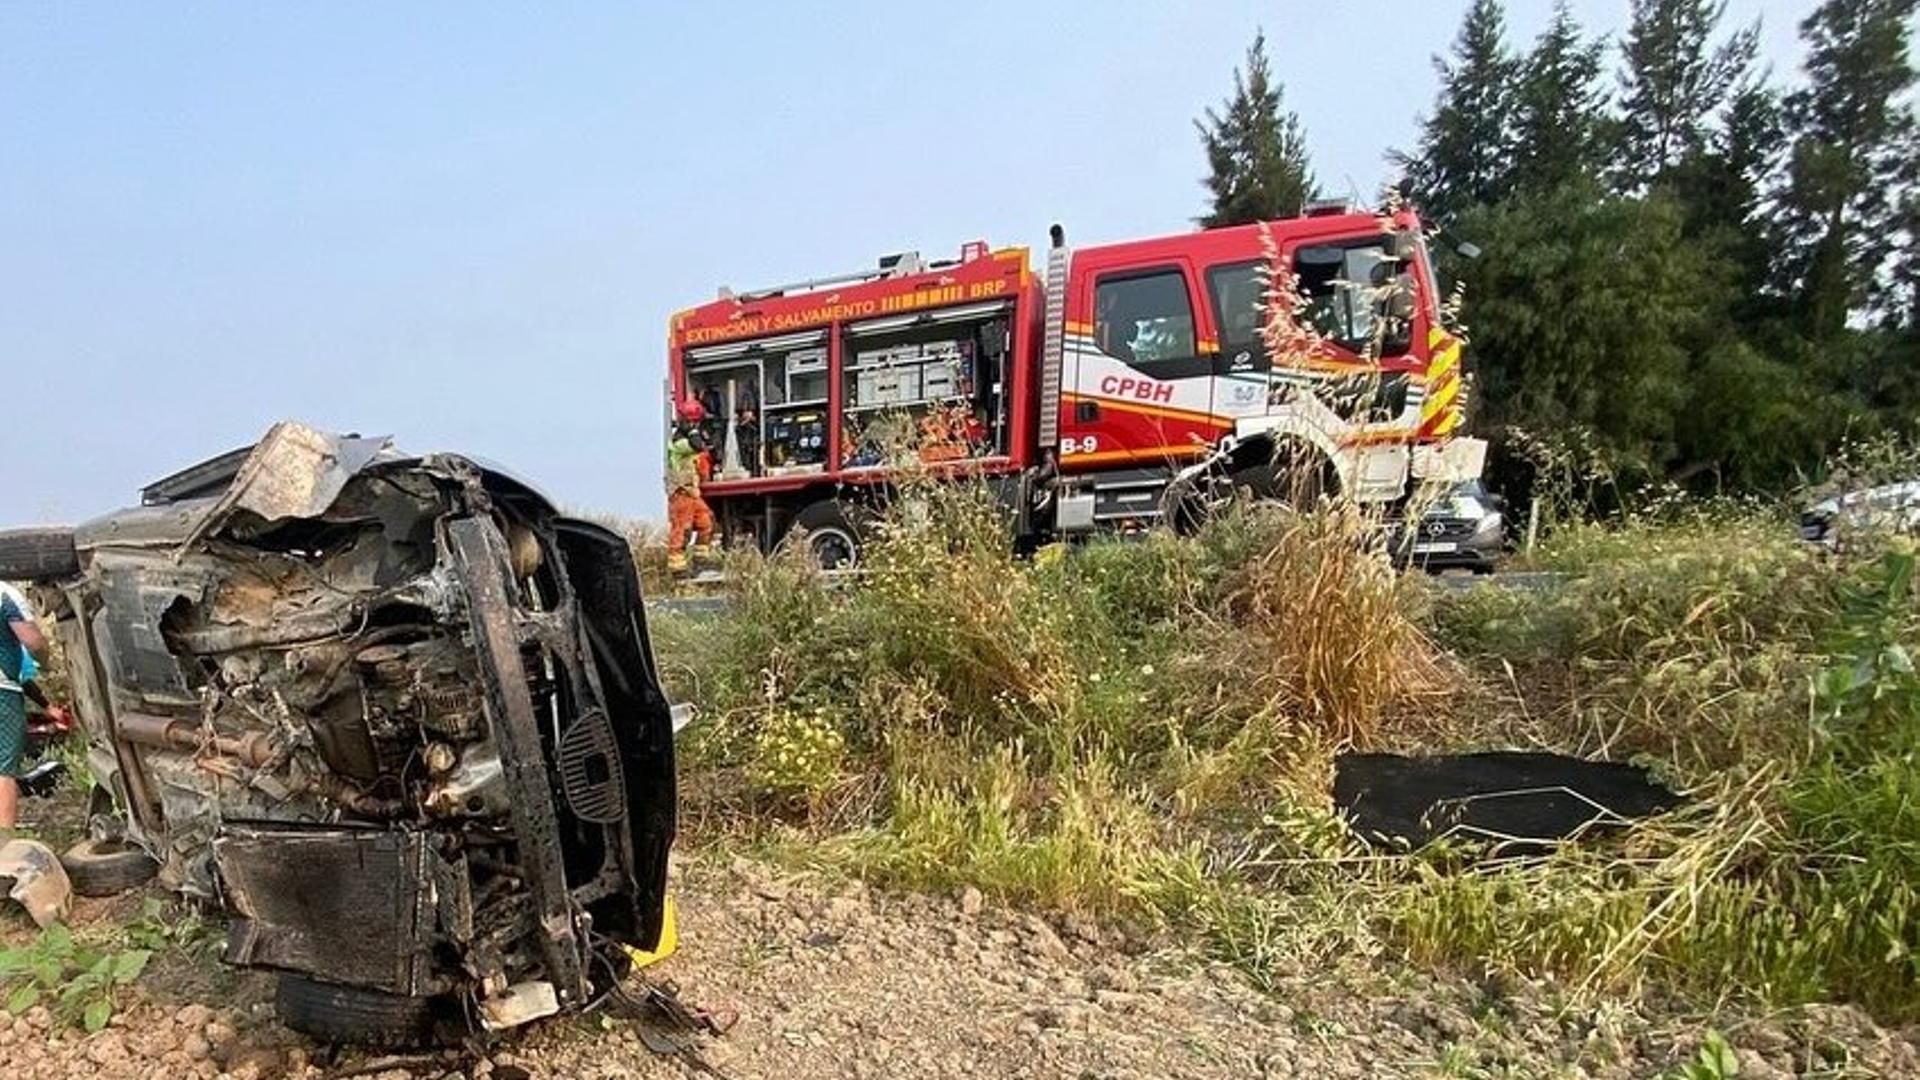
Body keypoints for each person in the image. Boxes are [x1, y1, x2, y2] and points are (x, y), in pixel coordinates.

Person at [0, 583, 47, 832]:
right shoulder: (3, 594)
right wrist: (46, 662)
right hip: (2, 691)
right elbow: (33, 642)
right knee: (3, 768)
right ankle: (3, 843)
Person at [666, 398, 717, 575]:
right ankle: (677, 569)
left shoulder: (686, 439)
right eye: (694, 421)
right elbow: (697, 446)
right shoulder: (678, 442)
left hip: (692, 494)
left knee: (706, 522)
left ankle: (700, 561)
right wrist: (693, 430)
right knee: (682, 529)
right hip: (681, 493)